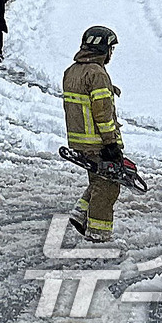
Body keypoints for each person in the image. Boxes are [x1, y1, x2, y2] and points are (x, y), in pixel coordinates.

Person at [62, 25, 123, 243]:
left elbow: (83, 99)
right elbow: (102, 113)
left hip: (80, 140)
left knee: (98, 180)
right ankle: (98, 234)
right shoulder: (97, 74)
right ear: (102, 49)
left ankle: (80, 214)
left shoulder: (72, 71)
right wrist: (111, 143)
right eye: (110, 49)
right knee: (108, 186)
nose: (111, 55)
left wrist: (109, 89)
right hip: (98, 141)